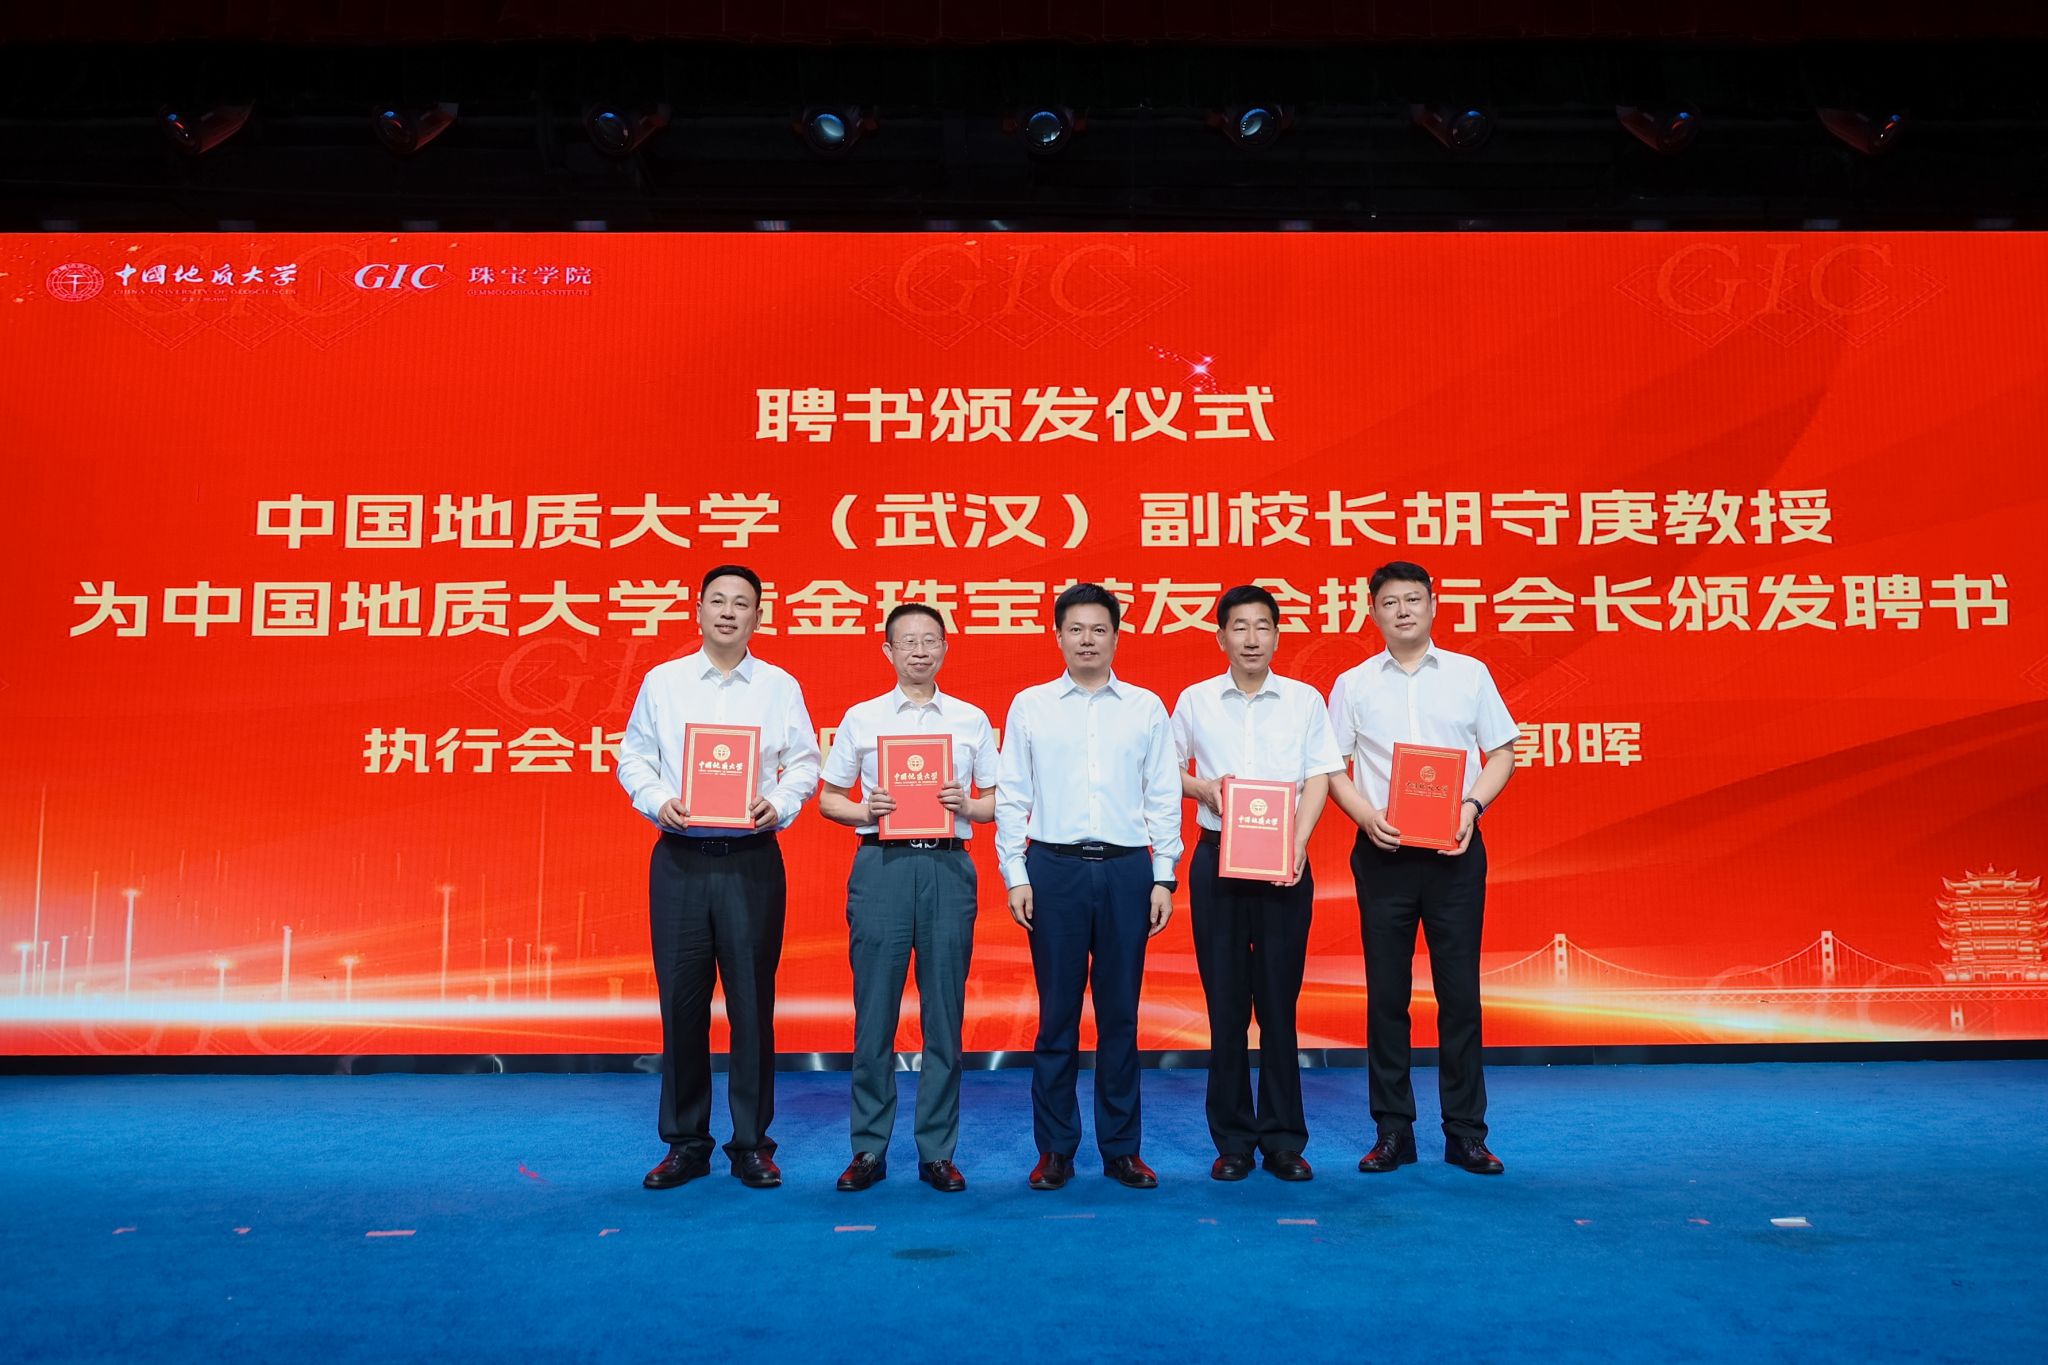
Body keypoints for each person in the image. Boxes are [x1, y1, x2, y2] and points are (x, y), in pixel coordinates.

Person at [617, 564, 821, 1191]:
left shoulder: (779, 686)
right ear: (698, 610)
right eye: (718, 601)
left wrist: (779, 804)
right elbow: (634, 758)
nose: (729, 612)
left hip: (751, 860)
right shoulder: (664, 682)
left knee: (752, 1004)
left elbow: (804, 763)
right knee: (681, 1004)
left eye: (742, 603)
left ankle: (752, 1143)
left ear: (759, 616)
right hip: (679, 859)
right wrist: (658, 801)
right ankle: (686, 1143)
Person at [1326, 561, 1518, 1176]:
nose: (1403, 610)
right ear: (1372, 612)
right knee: (1387, 996)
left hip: (1454, 853)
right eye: (1390, 602)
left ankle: (1466, 1133)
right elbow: (1330, 767)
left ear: (1433, 605)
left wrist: (1470, 807)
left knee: (1460, 996)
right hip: (1383, 855)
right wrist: (1365, 817)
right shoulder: (1354, 684)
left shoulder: (1469, 674)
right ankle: (1392, 1132)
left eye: (1413, 599)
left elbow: (1503, 752)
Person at [996, 583, 1183, 1190]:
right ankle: (1055, 1149)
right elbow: (1012, 795)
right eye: (1075, 629)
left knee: (1120, 1016)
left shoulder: (1146, 707)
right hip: (1054, 868)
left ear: (1116, 637)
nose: (1087, 640)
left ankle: (1122, 1149)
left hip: (1128, 870)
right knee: (1057, 1016)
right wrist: (1016, 873)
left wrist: (1163, 875)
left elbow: (1163, 795)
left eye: (1099, 629)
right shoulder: (1031, 705)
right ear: (1057, 637)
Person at [817, 602, 999, 1194]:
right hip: (882, 867)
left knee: (944, 1014)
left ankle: (937, 1151)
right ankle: (868, 1148)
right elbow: (828, 799)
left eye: (930, 640)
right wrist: (863, 810)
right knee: (874, 1014)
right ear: (888, 651)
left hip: (948, 865)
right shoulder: (862, 717)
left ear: (945, 648)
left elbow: (999, 800)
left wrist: (967, 805)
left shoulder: (971, 719)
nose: (920, 651)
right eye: (908, 642)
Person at [1170, 584, 1343, 1182]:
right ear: (1221, 637)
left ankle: (1284, 1140)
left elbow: (1320, 775)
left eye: (1262, 626)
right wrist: (1203, 788)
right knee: (1225, 1007)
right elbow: (1164, 768)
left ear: (1276, 635)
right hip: (1217, 859)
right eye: (1239, 627)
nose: (1251, 638)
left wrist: (1298, 843)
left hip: (1283, 862)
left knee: (1278, 1004)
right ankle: (1234, 1142)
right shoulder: (1195, 700)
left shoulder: (1303, 700)